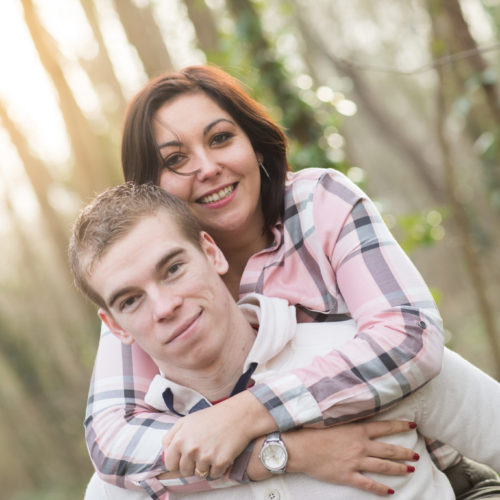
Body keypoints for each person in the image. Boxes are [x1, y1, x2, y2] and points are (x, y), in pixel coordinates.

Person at [84, 65, 499, 498]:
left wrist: (249, 413)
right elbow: (112, 441)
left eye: (221, 138)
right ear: (150, 194)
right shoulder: (146, 291)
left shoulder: (318, 203)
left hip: (435, 467)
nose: (207, 167)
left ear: (255, 146)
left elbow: (409, 335)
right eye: (175, 160)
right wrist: (281, 454)